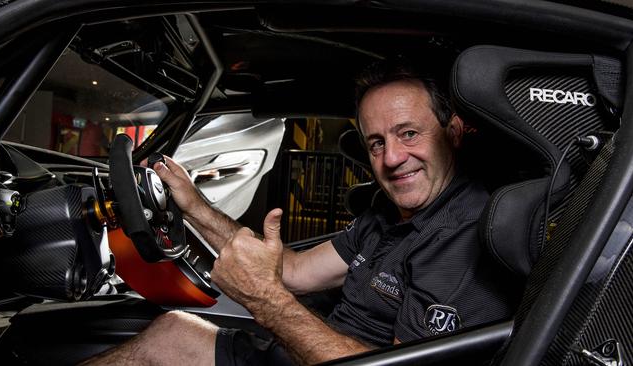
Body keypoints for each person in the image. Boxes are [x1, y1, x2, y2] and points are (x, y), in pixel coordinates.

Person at [85, 59, 514, 366]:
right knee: (173, 328)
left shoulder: (462, 237)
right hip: (304, 348)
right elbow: (292, 270)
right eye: (377, 142)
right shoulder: (388, 214)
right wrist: (194, 205)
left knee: (172, 335)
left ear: (453, 133)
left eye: (409, 133)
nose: (393, 157)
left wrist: (265, 301)